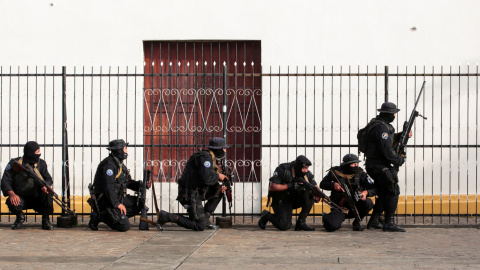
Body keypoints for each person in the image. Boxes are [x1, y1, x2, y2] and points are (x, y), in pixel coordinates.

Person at [155, 137, 229, 231]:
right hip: (190, 194)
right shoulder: (205, 158)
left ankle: (205, 219)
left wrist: (219, 183)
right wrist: (218, 176)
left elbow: (206, 177)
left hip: (196, 191)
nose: (225, 150)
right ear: (217, 149)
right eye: (223, 148)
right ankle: (167, 216)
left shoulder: (209, 157)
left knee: (220, 189)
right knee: (199, 226)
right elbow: (206, 179)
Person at [364, 102, 411, 232]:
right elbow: (387, 150)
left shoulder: (378, 125)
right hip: (379, 166)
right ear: (390, 114)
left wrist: (403, 134)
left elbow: (386, 142)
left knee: (384, 191)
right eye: (394, 113)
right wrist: (398, 160)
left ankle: (374, 220)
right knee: (393, 190)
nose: (395, 116)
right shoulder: (381, 128)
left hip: (375, 164)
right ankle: (388, 223)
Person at [87, 139, 150, 232]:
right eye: (125, 149)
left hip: (117, 198)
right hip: (106, 201)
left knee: (139, 204)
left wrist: (142, 185)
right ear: (119, 150)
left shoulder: (118, 164)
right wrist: (117, 204)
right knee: (124, 226)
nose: (126, 151)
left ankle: (117, 216)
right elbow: (109, 187)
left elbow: (127, 182)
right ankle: (100, 216)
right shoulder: (109, 166)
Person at [1, 141, 54, 230]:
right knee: (11, 201)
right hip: (21, 198)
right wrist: (12, 194)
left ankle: (46, 220)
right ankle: (20, 217)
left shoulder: (41, 164)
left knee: (49, 194)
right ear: (30, 152)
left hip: (37, 198)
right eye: (37, 152)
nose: (39, 154)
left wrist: (46, 185)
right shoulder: (15, 163)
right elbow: (5, 181)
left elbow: (48, 178)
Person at [258, 155, 319, 231]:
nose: (306, 170)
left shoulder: (306, 174)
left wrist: (318, 193)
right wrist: (290, 186)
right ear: (298, 167)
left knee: (311, 194)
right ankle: (267, 215)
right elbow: (273, 187)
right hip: (282, 200)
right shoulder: (283, 169)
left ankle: (301, 223)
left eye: (307, 168)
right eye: (304, 168)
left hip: (294, 199)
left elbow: (314, 186)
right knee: (284, 225)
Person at [320, 153, 375, 232]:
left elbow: (373, 188)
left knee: (368, 203)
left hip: (356, 203)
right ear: (346, 165)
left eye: (357, 163)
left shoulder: (360, 173)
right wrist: (333, 185)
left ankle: (357, 222)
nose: (355, 165)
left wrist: (366, 193)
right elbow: (322, 184)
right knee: (331, 226)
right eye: (353, 164)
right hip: (340, 206)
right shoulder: (335, 172)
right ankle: (327, 217)